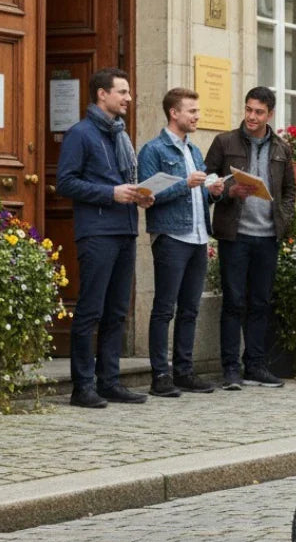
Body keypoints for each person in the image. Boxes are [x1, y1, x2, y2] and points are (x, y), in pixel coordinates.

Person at [57, 68, 153, 408]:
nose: (129, 98)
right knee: (90, 310)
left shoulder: (120, 135)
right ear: (102, 94)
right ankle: (82, 387)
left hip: (125, 229)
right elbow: (65, 183)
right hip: (97, 232)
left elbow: (124, 182)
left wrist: (140, 195)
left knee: (116, 312)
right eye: (122, 92)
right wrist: (110, 193)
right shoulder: (80, 134)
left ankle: (109, 382)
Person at [204, 87, 296, 390]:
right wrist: (227, 191)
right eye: (248, 110)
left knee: (260, 303)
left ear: (270, 114)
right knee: (234, 301)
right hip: (235, 234)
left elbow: (289, 191)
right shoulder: (225, 142)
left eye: (258, 112)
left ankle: (255, 365)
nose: (252, 117)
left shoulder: (282, 148)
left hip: (267, 236)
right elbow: (207, 182)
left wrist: (283, 218)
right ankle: (231, 368)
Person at [137, 88, 225, 397]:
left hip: (198, 236)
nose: (197, 116)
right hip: (171, 237)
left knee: (190, 309)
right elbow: (147, 196)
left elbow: (197, 195)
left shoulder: (195, 151)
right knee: (165, 308)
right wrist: (185, 185)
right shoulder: (154, 150)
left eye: (198, 111)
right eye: (192, 111)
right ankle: (160, 374)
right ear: (174, 113)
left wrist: (211, 192)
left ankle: (185, 371)